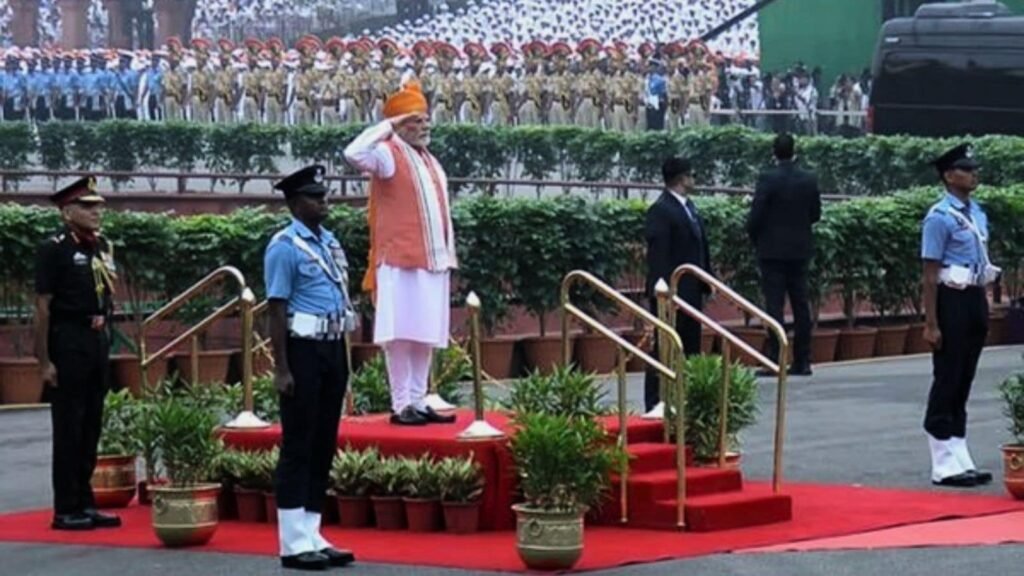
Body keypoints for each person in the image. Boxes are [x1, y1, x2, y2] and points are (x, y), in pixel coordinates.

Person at [343, 80, 459, 426]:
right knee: (400, 334)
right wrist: (389, 126)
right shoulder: (387, 153)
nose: (423, 127)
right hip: (399, 260)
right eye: (414, 121)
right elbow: (353, 153)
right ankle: (401, 404)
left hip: (433, 260)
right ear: (397, 124)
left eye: (425, 120)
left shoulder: (429, 159)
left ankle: (420, 400)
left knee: (425, 334)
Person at [264, 165, 357, 570]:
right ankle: (292, 540)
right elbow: (276, 308)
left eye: (323, 196)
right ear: (294, 203)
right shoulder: (284, 246)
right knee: (298, 444)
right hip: (301, 349)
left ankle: (312, 529)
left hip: (332, 345)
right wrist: (281, 367)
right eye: (314, 197)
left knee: (323, 443)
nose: (323, 202)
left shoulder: (328, 242)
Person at [33, 176, 121, 532]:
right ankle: (65, 507)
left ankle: (86, 501)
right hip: (67, 339)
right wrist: (44, 361)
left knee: (91, 426)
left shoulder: (99, 246)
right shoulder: (54, 248)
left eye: (98, 205)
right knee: (68, 427)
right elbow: (42, 307)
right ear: (67, 212)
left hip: (96, 340)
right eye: (87, 206)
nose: (97, 211)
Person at [921, 143, 998, 488]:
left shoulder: (977, 212)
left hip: (973, 297)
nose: (973, 174)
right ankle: (941, 460)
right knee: (947, 376)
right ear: (950, 176)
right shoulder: (939, 217)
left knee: (964, 378)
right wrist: (931, 322)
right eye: (967, 169)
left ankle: (958, 449)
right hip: (950, 301)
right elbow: (929, 273)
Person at [746, 134, 821, 377]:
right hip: (799, 250)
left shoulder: (768, 179)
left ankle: (776, 359)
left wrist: (755, 236)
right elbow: (815, 214)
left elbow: (756, 215)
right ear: (794, 151)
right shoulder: (808, 179)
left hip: (772, 251)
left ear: (774, 152)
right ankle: (803, 360)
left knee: (774, 306)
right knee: (801, 305)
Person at [643, 157, 712, 414]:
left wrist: (708, 279)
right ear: (682, 178)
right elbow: (658, 256)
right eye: (692, 175)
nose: (694, 180)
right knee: (664, 347)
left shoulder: (688, 207)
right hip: (672, 293)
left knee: (689, 346)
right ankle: (656, 401)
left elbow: (701, 247)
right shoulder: (661, 210)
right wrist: (663, 292)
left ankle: (685, 399)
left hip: (692, 289)